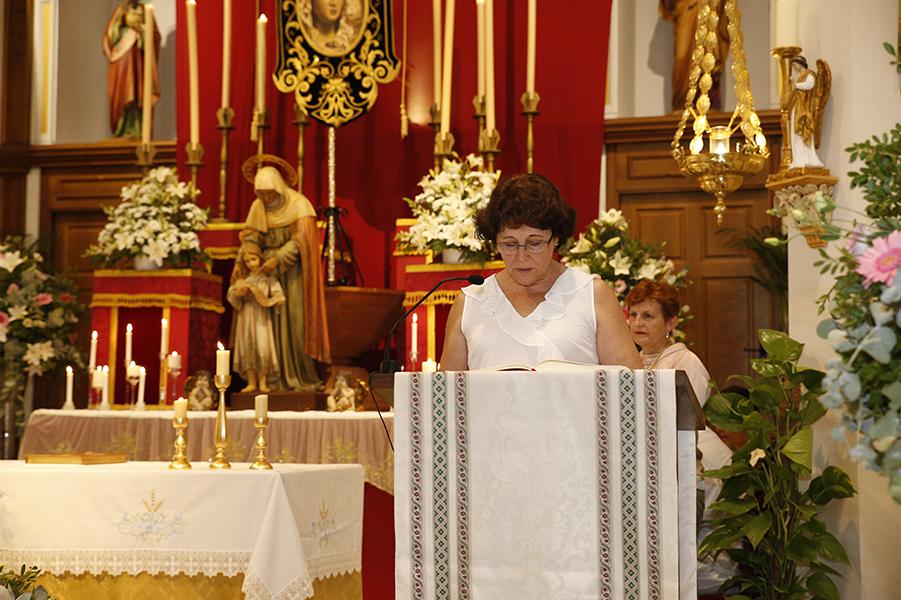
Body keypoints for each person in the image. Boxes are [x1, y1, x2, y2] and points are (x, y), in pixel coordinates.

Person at [441, 173, 642, 371]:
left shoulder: (592, 295)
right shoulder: (471, 302)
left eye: (534, 243)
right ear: (496, 243)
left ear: (555, 239)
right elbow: (447, 393)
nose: (522, 257)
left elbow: (630, 385)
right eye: (510, 244)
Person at [625, 279, 736, 595]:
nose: (637, 323)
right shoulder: (631, 360)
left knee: (673, 564)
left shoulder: (685, 361)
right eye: (633, 315)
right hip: (649, 477)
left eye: (648, 316)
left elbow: (681, 423)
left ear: (670, 322)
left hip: (684, 476)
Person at [238, 166, 330, 391]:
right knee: (263, 328)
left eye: (270, 194)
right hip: (263, 274)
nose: (266, 199)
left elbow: (301, 241)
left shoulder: (299, 205)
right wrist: (252, 255)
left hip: (294, 276)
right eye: (261, 194)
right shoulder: (257, 207)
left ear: (279, 188)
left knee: (296, 323)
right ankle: (267, 380)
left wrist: (278, 259)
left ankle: (299, 375)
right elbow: (251, 236)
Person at [228, 245, 286, 393]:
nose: (251, 264)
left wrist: (273, 301)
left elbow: (279, 295)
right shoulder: (243, 280)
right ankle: (251, 383)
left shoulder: (268, 279)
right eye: (247, 261)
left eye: (253, 259)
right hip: (246, 316)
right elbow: (232, 295)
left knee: (262, 346)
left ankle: (263, 382)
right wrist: (238, 294)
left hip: (261, 317)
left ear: (260, 259)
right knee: (248, 346)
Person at [101, 0, 160, 137]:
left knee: (139, 92)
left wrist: (144, 33)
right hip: (123, 61)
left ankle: (139, 129)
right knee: (124, 92)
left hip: (139, 61)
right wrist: (123, 26)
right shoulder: (120, 10)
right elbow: (109, 36)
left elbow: (155, 36)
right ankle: (122, 128)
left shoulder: (146, 11)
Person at [659, 0, 729, 112]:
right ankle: (682, 103)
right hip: (686, 8)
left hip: (709, 8)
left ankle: (708, 100)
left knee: (709, 52)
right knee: (681, 57)